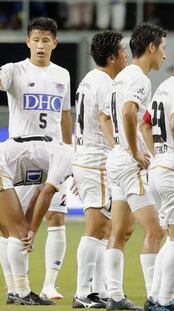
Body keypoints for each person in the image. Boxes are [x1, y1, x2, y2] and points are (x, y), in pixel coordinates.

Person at [0, 17, 72, 301]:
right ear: (28, 41)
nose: (41, 45)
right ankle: (16, 288)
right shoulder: (16, 70)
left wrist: (66, 152)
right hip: (21, 155)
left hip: (52, 155)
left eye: (46, 40)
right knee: (14, 230)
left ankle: (40, 286)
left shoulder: (62, 75)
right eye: (36, 39)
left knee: (55, 218)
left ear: (55, 42)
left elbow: (64, 114)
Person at [105, 22, 167, 310]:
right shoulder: (140, 79)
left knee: (119, 233)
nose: (165, 55)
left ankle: (115, 295)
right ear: (151, 48)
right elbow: (130, 112)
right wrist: (134, 152)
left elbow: (107, 116)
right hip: (130, 163)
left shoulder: (120, 77)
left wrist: (123, 148)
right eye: (163, 48)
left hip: (116, 160)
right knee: (156, 231)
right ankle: (156, 296)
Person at [0, 135, 72, 305]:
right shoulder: (67, 157)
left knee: (9, 233)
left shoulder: (59, 153)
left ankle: (13, 291)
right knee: (20, 233)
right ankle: (23, 293)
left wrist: (30, 227)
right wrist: (31, 231)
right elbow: (47, 194)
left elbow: (37, 197)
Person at [72, 30, 128, 309]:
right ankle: (83, 293)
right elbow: (106, 120)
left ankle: (95, 290)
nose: (127, 55)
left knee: (101, 228)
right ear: (112, 57)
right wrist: (119, 150)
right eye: (123, 50)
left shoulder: (88, 80)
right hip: (98, 161)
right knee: (98, 228)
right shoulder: (106, 83)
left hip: (86, 158)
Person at [142, 69, 174, 310]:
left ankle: (155, 296)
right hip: (171, 169)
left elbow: (145, 126)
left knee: (170, 239)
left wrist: (158, 156)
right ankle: (164, 300)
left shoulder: (162, 87)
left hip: (159, 167)